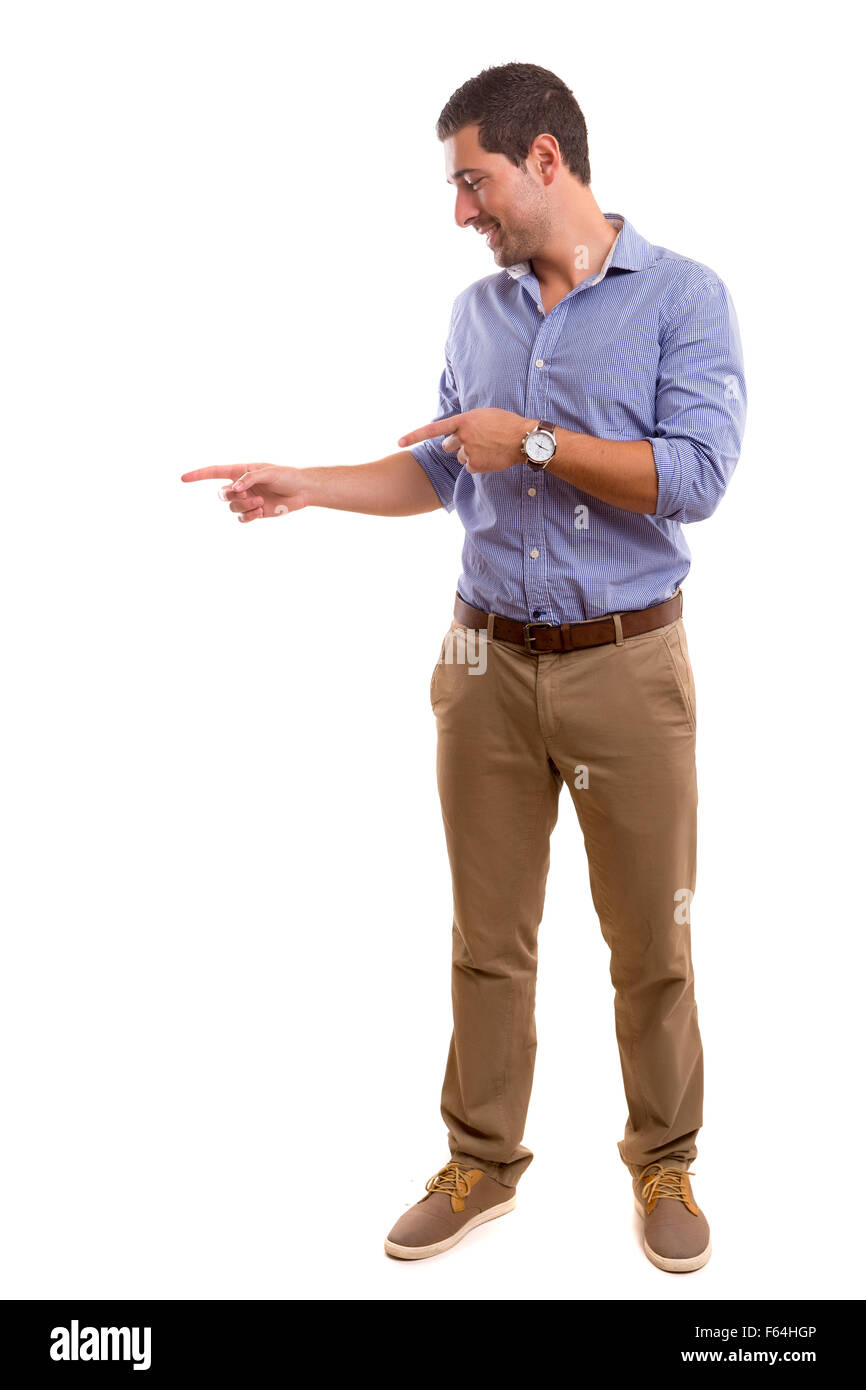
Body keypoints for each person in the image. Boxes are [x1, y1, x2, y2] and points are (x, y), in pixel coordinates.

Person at [181, 61, 746, 1274]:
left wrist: (535, 438)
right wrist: (306, 486)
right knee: (486, 933)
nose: (461, 212)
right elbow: (445, 468)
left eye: (473, 182)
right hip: (478, 658)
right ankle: (481, 1161)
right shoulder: (474, 314)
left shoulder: (684, 298)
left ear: (546, 161)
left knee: (651, 936)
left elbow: (695, 476)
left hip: (625, 669)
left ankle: (663, 1159)